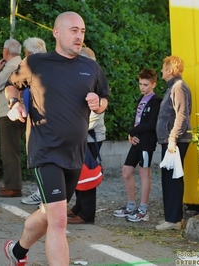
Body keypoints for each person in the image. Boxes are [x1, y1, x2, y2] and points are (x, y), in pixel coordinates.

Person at [3, 11, 110, 265]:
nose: (79, 36)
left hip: (74, 153)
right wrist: (14, 103)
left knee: (48, 212)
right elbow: (11, 85)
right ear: (56, 32)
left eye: (82, 31)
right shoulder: (37, 63)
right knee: (59, 219)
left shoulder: (91, 67)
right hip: (44, 149)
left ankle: (17, 251)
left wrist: (99, 103)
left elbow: (104, 99)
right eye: (73, 30)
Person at [112, 69, 162, 222]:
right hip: (136, 141)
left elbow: (151, 124)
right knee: (126, 171)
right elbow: (137, 120)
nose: (142, 87)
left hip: (147, 142)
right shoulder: (141, 99)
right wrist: (131, 134)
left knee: (143, 172)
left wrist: (133, 131)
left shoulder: (156, 101)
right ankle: (131, 205)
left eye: (146, 85)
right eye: (140, 84)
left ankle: (143, 209)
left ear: (153, 84)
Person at [67, 47, 106, 224]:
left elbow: (96, 113)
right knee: (78, 173)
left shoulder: (94, 81)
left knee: (87, 175)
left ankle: (87, 214)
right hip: (81, 135)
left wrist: (73, 126)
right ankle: (79, 208)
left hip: (90, 137)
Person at [155, 55, 192, 230]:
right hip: (172, 140)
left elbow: (182, 115)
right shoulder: (174, 87)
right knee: (169, 179)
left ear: (170, 70)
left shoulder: (178, 87)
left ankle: (174, 220)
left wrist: (172, 138)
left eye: (163, 68)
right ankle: (172, 218)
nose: (161, 70)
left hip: (175, 141)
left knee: (173, 180)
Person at [0, 39, 24, 197]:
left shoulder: (10, 66)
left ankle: (13, 186)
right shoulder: (22, 63)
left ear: (5, 51)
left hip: (9, 111)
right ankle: (12, 184)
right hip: (18, 109)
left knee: (9, 149)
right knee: (13, 148)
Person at [19, 37, 47, 205]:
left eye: (25, 53)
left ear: (29, 53)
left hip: (41, 124)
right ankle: (43, 194)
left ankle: (43, 195)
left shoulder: (35, 69)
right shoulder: (46, 67)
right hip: (36, 121)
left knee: (39, 160)